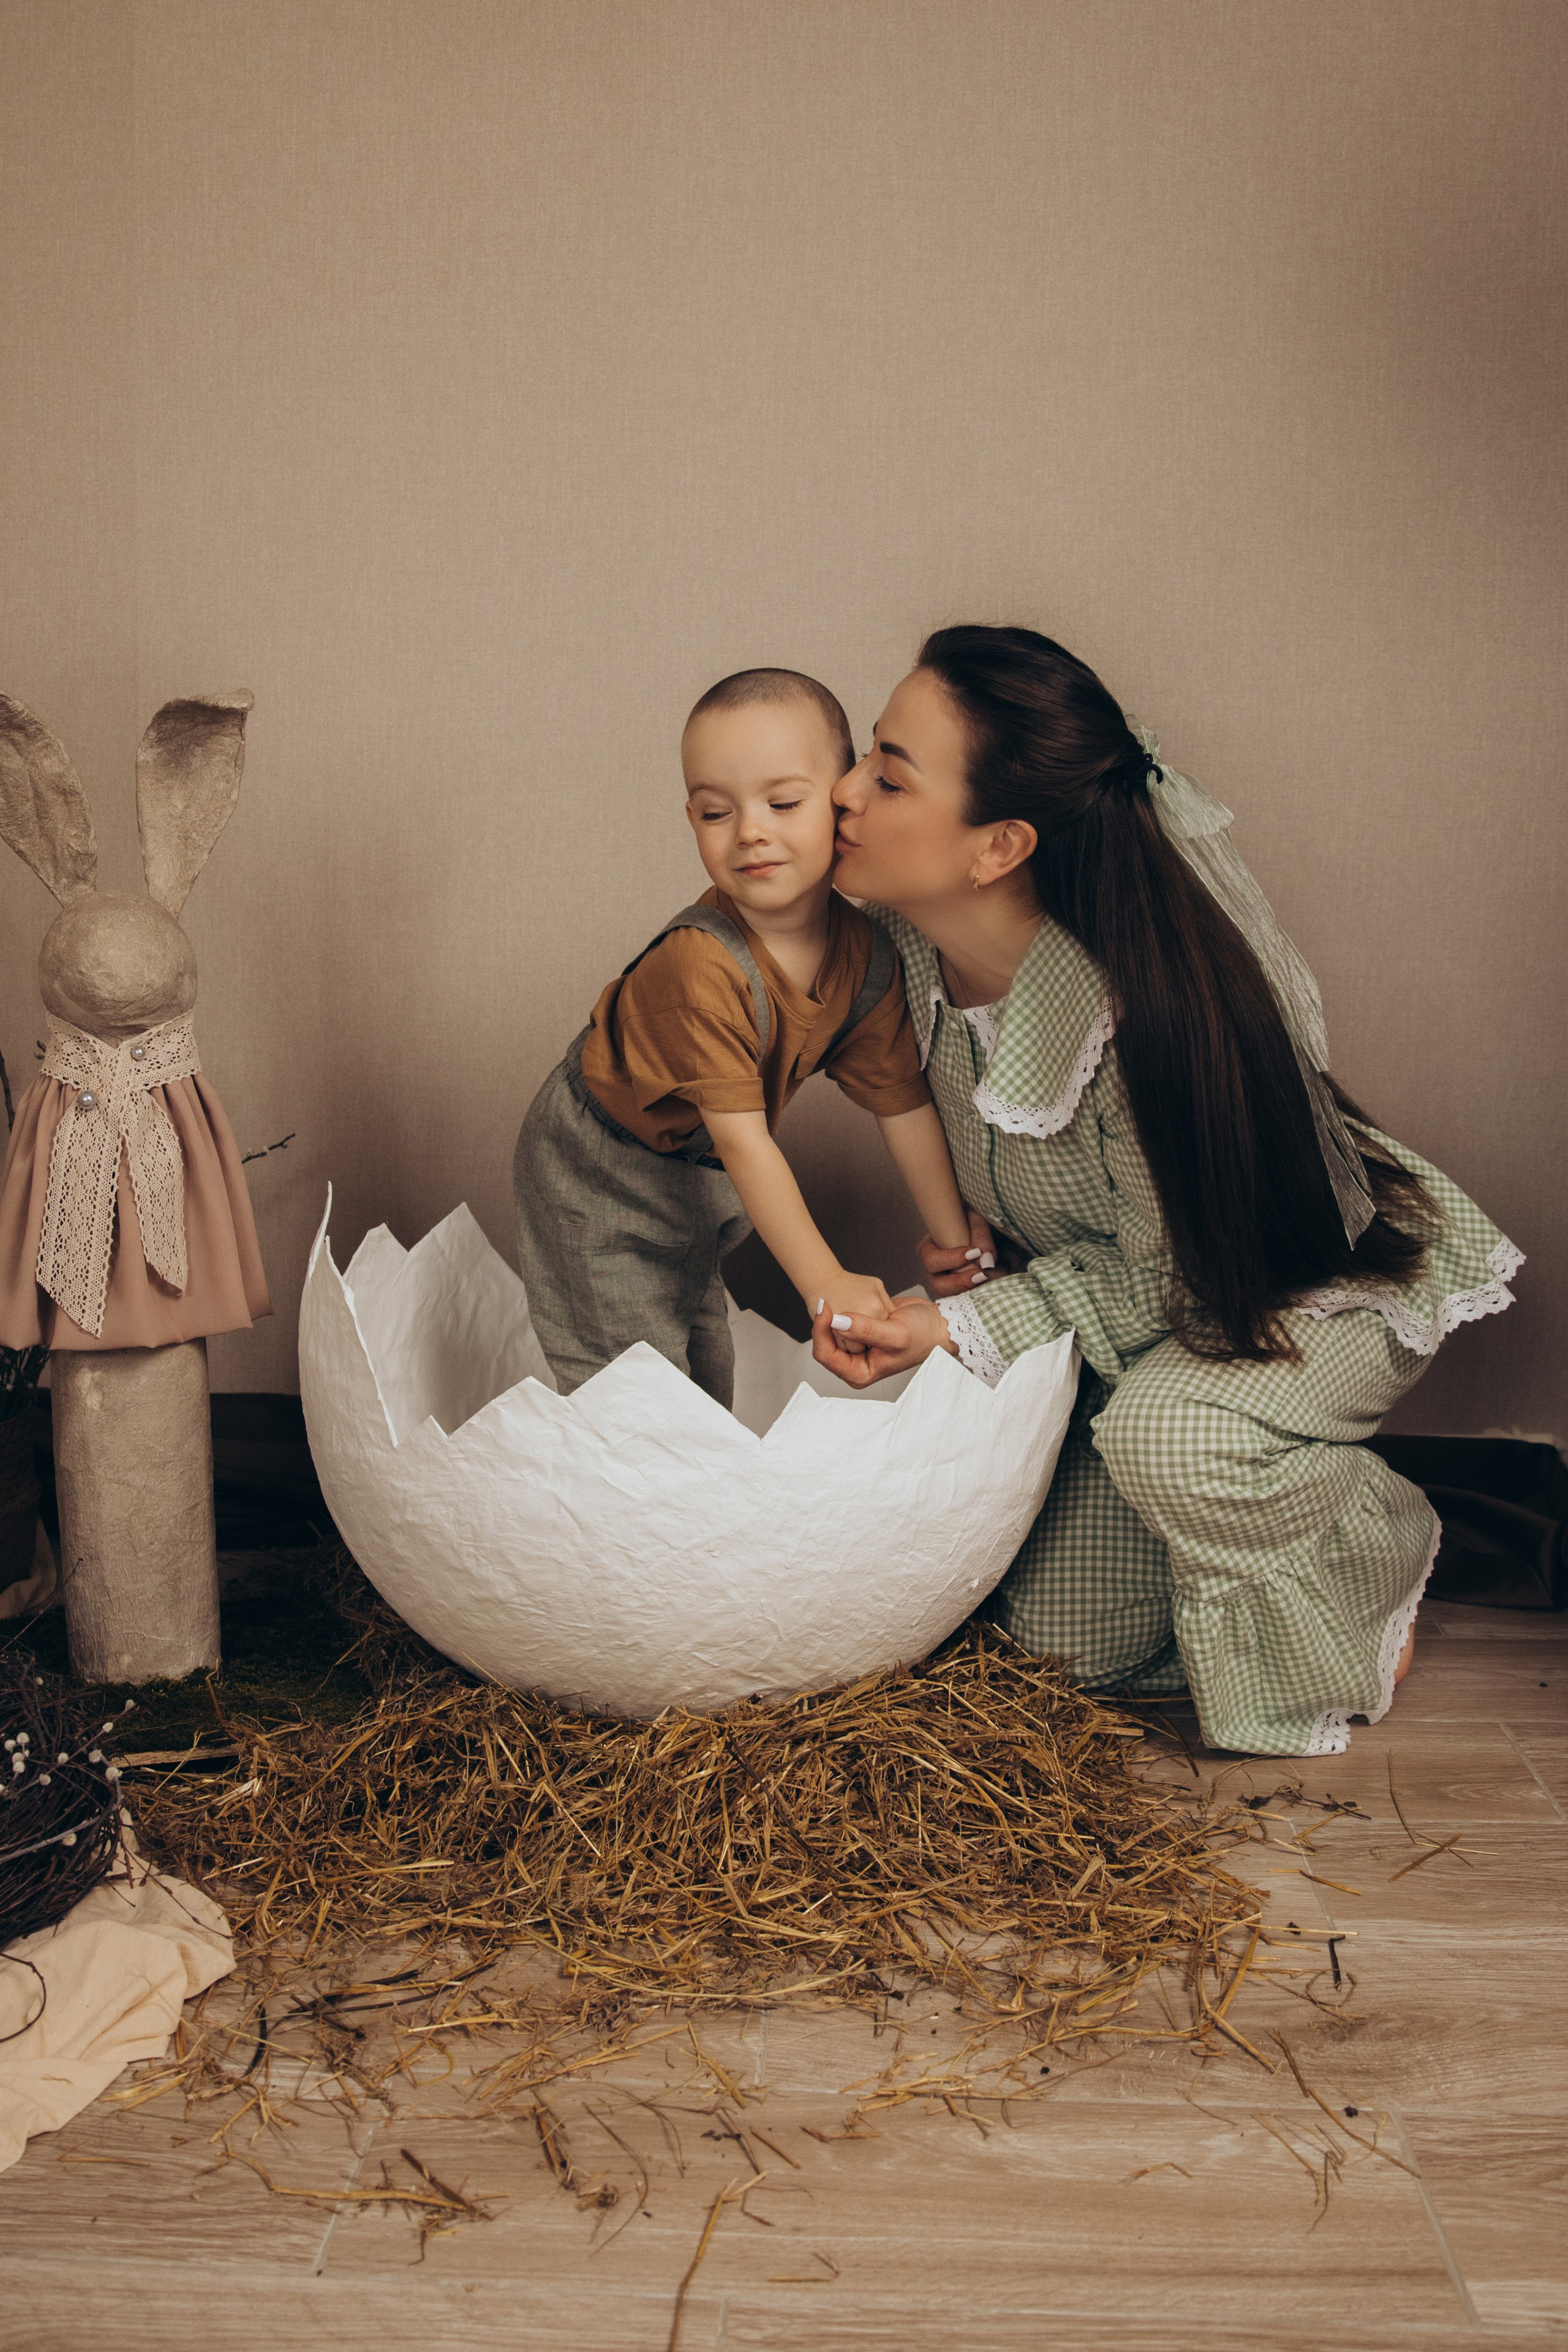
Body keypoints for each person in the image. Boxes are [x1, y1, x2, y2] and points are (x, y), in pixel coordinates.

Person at [812, 625, 1521, 1756]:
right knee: (1065, 1642)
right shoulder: (898, 941)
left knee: (1168, 1434)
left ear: (998, 846)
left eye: (888, 774)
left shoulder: (1127, 1026)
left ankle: (1374, 1530)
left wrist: (954, 1322)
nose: (846, 790)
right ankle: (1246, 1500)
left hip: (1309, 1286)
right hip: (1151, 1303)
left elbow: (1167, 1275)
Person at [514, 667, 973, 1407]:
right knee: (631, 1379)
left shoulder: (867, 955)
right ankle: (636, 1501)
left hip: (696, 1170)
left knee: (700, 1355)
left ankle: (692, 1488)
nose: (750, 832)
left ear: (844, 801)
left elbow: (903, 1104)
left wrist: (955, 1246)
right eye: (713, 813)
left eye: (784, 803)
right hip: (594, 1163)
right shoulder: (700, 966)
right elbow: (745, 1143)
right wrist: (824, 1283)